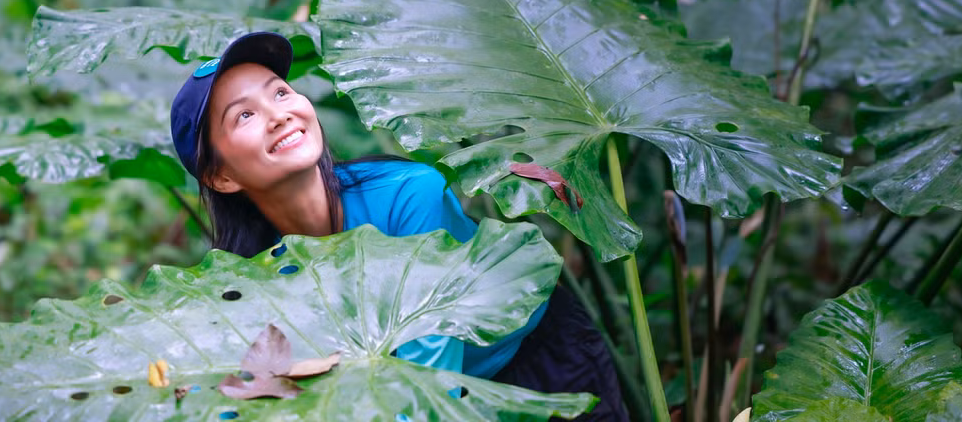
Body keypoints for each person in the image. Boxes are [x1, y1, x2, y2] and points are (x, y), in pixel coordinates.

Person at [171, 31, 629, 420]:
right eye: (244, 115)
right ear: (221, 176)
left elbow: (429, 377)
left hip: (536, 362)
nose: (278, 113)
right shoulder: (256, 273)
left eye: (280, 92)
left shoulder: (410, 193)